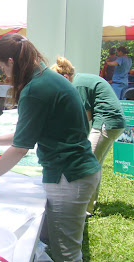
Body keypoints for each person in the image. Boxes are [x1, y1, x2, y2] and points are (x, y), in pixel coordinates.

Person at [0, 33, 100, 262]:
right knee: (56, 243)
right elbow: (28, 133)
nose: (2, 72)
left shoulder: (35, 89)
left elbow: (20, 149)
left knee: (66, 254)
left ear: (10, 62)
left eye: (1, 65)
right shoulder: (45, 77)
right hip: (76, 171)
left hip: (69, 175)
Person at [51, 57, 126, 215]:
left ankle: (83, 209)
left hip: (106, 122)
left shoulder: (78, 85)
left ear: (65, 78)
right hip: (113, 123)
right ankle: (88, 206)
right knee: (94, 165)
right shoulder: (81, 80)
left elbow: (85, 117)